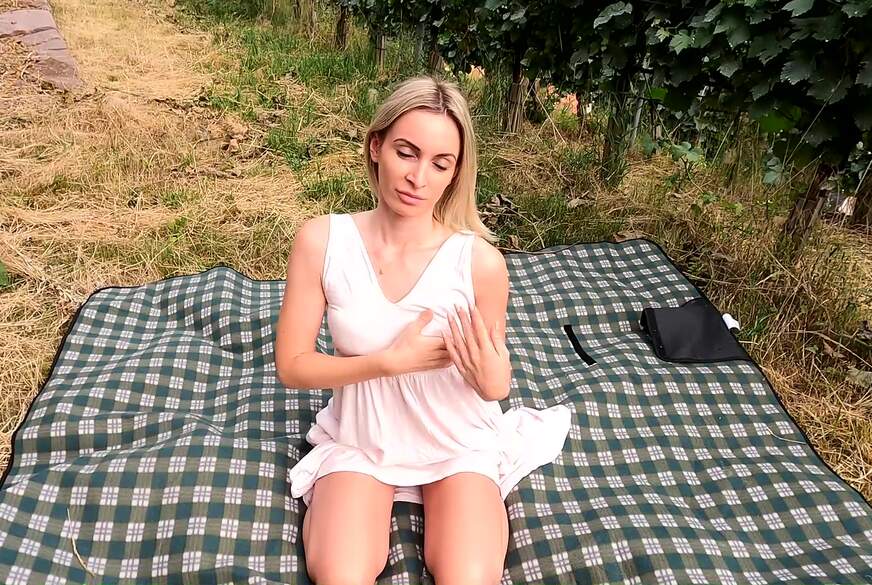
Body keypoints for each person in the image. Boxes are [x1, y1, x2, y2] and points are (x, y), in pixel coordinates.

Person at [274, 75, 571, 585]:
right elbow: (292, 366)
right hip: (363, 441)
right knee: (339, 574)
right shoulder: (322, 241)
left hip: (457, 444)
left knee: (467, 577)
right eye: (406, 153)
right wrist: (387, 363)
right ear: (376, 147)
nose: (418, 178)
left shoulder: (479, 263)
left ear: (456, 173)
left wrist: (493, 378)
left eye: (440, 163)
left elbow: (495, 384)